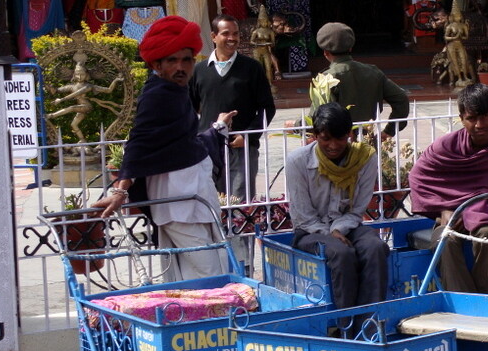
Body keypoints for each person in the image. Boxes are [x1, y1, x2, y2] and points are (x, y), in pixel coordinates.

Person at [92, 15, 238, 282]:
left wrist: (217, 128)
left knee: (182, 277)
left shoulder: (175, 91)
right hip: (178, 204)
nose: (181, 67)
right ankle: (212, 321)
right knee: (211, 274)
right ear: (157, 64)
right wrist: (120, 190)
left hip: (189, 200)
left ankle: (190, 321)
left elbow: (183, 144)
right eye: (172, 60)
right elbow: (140, 142)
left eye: (186, 60)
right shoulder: (158, 95)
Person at [409, 83, 488, 294]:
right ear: (462, 118)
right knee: (446, 238)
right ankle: (464, 302)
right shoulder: (446, 146)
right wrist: (443, 210)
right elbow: (418, 178)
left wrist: (472, 209)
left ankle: (485, 298)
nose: (480, 125)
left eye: (486, 117)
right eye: (472, 118)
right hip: (451, 215)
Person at [189, 14, 276, 276]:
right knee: (210, 204)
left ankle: (243, 266)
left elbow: (266, 109)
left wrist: (248, 134)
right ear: (213, 37)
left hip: (242, 149)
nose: (232, 39)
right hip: (208, 152)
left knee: (239, 205)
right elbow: (190, 108)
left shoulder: (251, 68)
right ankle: (215, 263)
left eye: (236, 33)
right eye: (226, 34)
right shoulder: (200, 70)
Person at [285, 102, 390, 314]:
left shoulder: (365, 159)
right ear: (315, 136)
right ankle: (346, 324)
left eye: (340, 139)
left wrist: (338, 230)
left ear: (349, 135)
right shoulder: (297, 161)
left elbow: (357, 210)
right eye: (326, 139)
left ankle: (369, 322)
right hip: (310, 232)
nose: (333, 145)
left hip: (348, 226)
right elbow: (304, 217)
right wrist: (329, 234)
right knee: (341, 253)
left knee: (376, 248)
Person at [312, 22, 410, 140]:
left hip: (337, 144)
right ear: (351, 48)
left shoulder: (326, 79)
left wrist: (296, 125)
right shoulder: (373, 72)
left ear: (325, 52)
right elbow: (401, 99)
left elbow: (317, 117)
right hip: (367, 143)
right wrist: (389, 130)